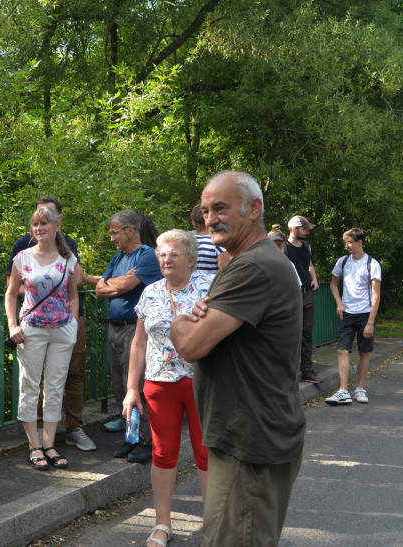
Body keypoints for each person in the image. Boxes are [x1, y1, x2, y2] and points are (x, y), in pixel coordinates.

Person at [170, 171, 305, 547]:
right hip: (250, 436)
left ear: (254, 208)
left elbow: (192, 344)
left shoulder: (252, 266)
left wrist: (179, 320)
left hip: (250, 442)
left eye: (221, 208)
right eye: (206, 210)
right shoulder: (244, 262)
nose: (212, 217)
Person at [123, 230, 212, 547]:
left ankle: (214, 525)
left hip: (203, 381)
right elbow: (138, 342)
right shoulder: (150, 292)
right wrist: (131, 389)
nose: (166, 258)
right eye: (162, 253)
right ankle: (162, 524)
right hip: (160, 383)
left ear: (191, 258)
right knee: (163, 453)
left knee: (206, 453)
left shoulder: (210, 288)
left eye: (173, 253)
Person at [6, 196, 94, 453]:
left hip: (63, 329)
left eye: (45, 223)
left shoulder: (69, 259)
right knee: (29, 386)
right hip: (31, 328)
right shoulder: (22, 257)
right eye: (36, 224)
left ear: (57, 226)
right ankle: (35, 446)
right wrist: (13, 325)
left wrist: (73, 327)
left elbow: (73, 295)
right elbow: (11, 293)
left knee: (55, 386)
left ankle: (50, 445)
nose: (39, 228)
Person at [92, 210, 162, 463]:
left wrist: (115, 284)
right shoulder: (118, 257)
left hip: (136, 329)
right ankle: (130, 439)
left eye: (114, 232)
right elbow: (99, 290)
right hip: (114, 327)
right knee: (121, 386)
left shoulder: (148, 255)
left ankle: (146, 441)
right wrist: (115, 284)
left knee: (138, 386)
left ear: (130, 230)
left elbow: (124, 286)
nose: (112, 238)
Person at [325, 228, 382, 405]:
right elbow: (334, 285)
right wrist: (339, 303)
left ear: (360, 242)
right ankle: (343, 391)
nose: (347, 245)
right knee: (342, 350)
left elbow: (376, 295)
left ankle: (360, 388)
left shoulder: (372, 264)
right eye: (346, 242)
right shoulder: (342, 262)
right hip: (347, 313)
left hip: (365, 314)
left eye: (350, 242)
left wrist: (370, 322)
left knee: (364, 352)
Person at [285, 215, 322, 384]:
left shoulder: (306, 246)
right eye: (304, 229)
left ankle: (306, 370)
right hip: (292, 295)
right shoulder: (283, 247)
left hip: (308, 293)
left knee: (307, 333)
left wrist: (314, 279)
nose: (307, 232)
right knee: (292, 333)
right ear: (294, 229)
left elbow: (309, 265)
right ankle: (289, 372)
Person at [190, 204, 225, 274]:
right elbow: (224, 269)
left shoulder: (187, 243)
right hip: (212, 284)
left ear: (194, 223)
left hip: (190, 284)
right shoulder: (217, 242)